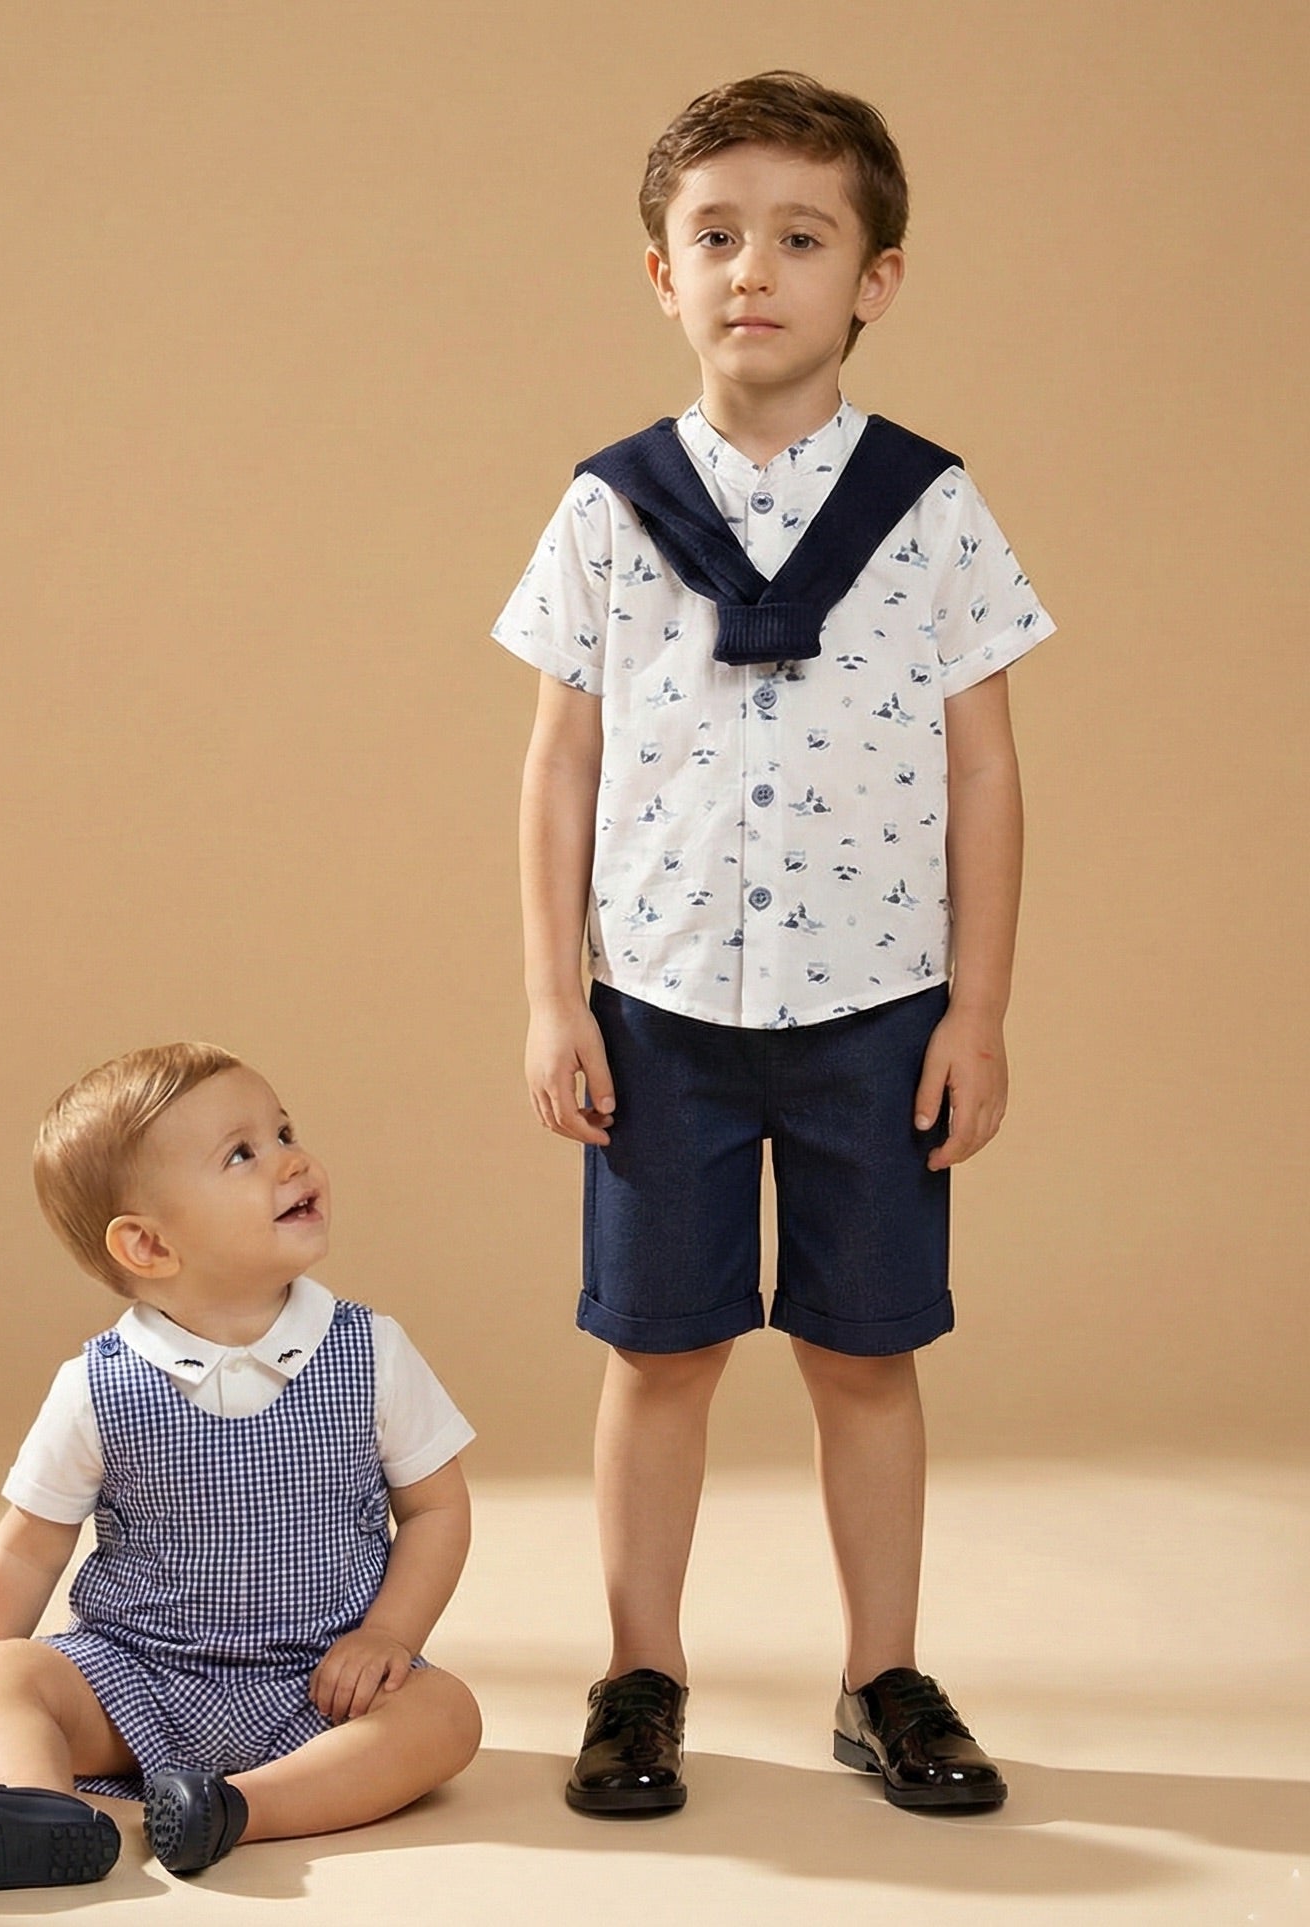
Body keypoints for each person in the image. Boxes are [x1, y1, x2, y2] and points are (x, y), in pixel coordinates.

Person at [495, 71, 1048, 1815]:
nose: (752, 268)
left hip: (873, 1010)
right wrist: (546, 996)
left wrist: (976, 1010)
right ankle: (633, 1672)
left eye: (798, 237)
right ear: (655, 273)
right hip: (655, 1011)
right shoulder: (603, 508)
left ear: (873, 278)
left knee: (862, 1351)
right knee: (652, 1351)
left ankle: (879, 1674)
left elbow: (981, 766)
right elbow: (557, 761)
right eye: (710, 235)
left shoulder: (930, 508)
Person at [0, 1043, 481, 1890]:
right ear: (147, 1244)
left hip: (317, 1680)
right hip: (136, 1674)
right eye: (243, 1153)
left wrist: (388, 1636)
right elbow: (26, 1549)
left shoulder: (369, 1349)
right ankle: (38, 1811)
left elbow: (438, 1509)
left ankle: (232, 1808)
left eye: (285, 1130)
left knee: (446, 1718)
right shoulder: (96, 1385)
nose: (293, 1159)